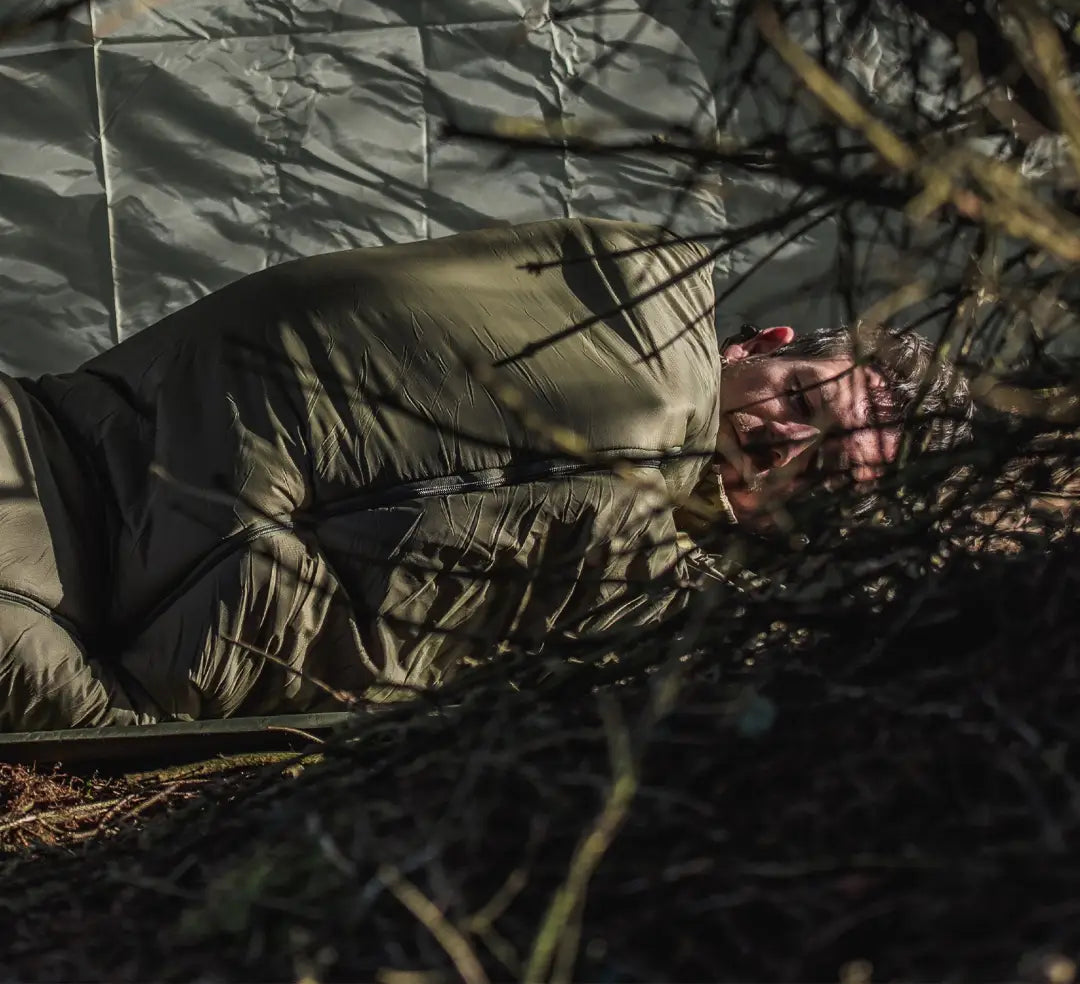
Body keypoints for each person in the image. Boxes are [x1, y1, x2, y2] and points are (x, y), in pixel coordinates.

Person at [0, 218, 973, 732]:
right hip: (55, 456)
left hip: (72, 664)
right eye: (801, 401)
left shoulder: (671, 627)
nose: (783, 443)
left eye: (830, 475)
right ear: (761, 342)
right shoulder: (619, 296)